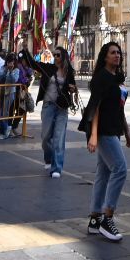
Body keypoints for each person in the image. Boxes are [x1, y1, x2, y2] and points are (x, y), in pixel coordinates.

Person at [81, 41, 130, 242]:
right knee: (120, 169)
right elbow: (96, 108)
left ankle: (95, 219)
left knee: (103, 173)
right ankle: (107, 216)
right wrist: (93, 135)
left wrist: (127, 132)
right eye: (112, 53)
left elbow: (120, 108)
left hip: (115, 129)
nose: (117, 55)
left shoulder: (117, 78)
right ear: (105, 57)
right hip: (103, 132)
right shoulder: (101, 78)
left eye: (118, 52)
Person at [27, 45, 78, 177]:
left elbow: (72, 87)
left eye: (57, 55)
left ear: (63, 56)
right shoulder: (48, 68)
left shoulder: (68, 71)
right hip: (48, 106)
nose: (55, 57)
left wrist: (73, 89)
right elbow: (33, 64)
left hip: (62, 108)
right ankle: (48, 158)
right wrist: (25, 52)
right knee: (45, 137)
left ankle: (56, 168)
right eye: (54, 55)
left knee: (59, 138)